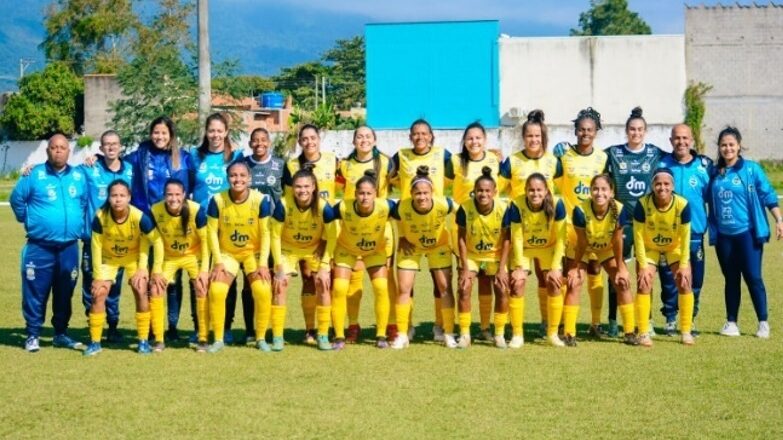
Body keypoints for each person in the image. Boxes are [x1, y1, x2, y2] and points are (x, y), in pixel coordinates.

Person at [11, 133, 89, 352]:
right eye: (54, 147)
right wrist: (26, 218)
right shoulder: (34, 175)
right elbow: (17, 199)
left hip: (69, 247)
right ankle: (33, 334)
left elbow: (83, 202)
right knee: (36, 290)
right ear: (48, 151)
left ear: (69, 151)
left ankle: (60, 334)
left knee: (65, 291)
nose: (58, 151)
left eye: (62, 147)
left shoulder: (78, 177)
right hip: (39, 246)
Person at [122, 116, 193, 342]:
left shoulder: (184, 158)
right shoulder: (140, 156)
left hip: (174, 227)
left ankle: (172, 325)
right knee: (153, 278)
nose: (160, 137)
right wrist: (97, 157)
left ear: (171, 135)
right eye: (156, 132)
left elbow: (194, 184)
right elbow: (116, 163)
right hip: (148, 226)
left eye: (164, 133)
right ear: (151, 134)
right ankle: (155, 327)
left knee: (173, 279)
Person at [707, 127, 783, 339]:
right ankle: (731, 323)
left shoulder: (751, 169)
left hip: (747, 234)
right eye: (723, 145)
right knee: (730, 278)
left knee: (753, 277)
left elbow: (768, 194)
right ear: (719, 148)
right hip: (724, 237)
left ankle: (763, 323)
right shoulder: (714, 172)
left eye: (731, 144)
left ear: (739, 146)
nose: (727, 148)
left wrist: (779, 219)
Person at [605, 107, 671, 338]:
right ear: (626, 131)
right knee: (617, 272)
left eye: (640, 129)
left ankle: (647, 320)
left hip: (646, 223)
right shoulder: (613, 153)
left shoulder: (655, 153)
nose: (636, 133)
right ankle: (613, 320)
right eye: (632, 129)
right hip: (622, 223)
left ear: (646, 131)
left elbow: (677, 159)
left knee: (645, 271)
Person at [389, 119, 455, 342]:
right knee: (408, 285)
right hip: (410, 227)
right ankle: (406, 328)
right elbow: (380, 176)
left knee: (441, 284)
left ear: (431, 136)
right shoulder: (401, 156)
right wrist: (402, 234)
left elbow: (464, 173)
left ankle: (440, 326)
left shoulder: (443, 156)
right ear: (410, 136)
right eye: (415, 134)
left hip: (436, 229)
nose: (420, 137)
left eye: (424, 133)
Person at [499, 109, 562, 336]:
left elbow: (562, 193)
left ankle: (548, 322)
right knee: (517, 280)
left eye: (537, 136)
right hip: (519, 230)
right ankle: (510, 326)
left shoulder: (554, 162)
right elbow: (498, 190)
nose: (533, 140)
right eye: (529, 136)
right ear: (523, 137)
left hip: (546, 232)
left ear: (543, 138)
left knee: (547, 278)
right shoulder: (512, 161)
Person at [83, 180, 164, 356]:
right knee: (98, 294)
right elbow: (95, 247)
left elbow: (157, 241)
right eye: (114, 195)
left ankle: (143, 340)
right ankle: (95, 342)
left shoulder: (139, 217)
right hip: (109, 259)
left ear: (128, 197)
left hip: (132, 258)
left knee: (141, 288)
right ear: (109, 197)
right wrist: (97, 277)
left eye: (122, 195)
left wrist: (149, 269)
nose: (118, 199)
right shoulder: (100, 217)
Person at [335, 126, 396, 343]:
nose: (363, 140)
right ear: (353, 141)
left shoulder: (387, 163)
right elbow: (334, 190)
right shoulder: (343, 165)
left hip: (380, 231)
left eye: (368, 136)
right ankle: (352, 325)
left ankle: (390, 325)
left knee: (384, 283)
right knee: (353, 283)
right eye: (359, 136)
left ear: (375, 140)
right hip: (352, 229)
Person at [206, 161, 273, 353]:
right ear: (228, 178)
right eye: (234, 175)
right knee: (217, 290)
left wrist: (262, 264)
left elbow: (266, 234)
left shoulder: (260, 200)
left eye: (242, 175)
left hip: (253, 253)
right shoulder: (217, 200)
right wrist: (217, 262)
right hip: (228, 254)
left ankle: (260, 337)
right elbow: (211, 233)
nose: (238, 179)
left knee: (262, 290)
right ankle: (218, 339)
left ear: (249, 178)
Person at [191, 113, 246, 344]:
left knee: (225, 277)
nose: (215, 135)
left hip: (226, 228)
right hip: (199, 228)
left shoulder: (236, 156)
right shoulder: (194, 156)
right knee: (199, 278)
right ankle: (199, 326)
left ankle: (226, 327)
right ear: (206, 132)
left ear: (226, 132)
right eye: (211, 130)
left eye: (219, 131)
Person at [564, 174, 637, 347]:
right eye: (595, 189)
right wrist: (574, 268)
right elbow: (581, 243)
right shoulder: (580, 210)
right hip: (585, 248)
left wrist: (621, 268)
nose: (599, 193)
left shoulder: (619, 210)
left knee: (622, 282)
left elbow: (618, 241)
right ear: (590, 191)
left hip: (606, 249)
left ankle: (629, 332)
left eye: (604, 189)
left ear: (611, 192)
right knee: (574, 283)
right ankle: (569, 333)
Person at [282, 124, 338, 344]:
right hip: (302, 231)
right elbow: (290, 202)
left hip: (328, 228)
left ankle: (331, 327)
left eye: (313, 138)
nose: (309, 142)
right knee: (308, 279)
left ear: (319, 138)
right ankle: (310, 329)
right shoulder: (291, 165)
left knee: (326, 280)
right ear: (299, 141)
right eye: (304, 139)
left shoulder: (333, 160)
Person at [556, 107, 609, 338]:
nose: (585, 133)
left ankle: (595, 324)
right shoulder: (564, 156)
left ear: (596, 132)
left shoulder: (602, 158)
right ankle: (565, 326)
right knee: (572, 275)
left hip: (596, 226)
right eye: (581, 129)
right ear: (575, 131)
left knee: (596, 270)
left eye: (589, 130)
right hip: (571, 227)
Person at [270, 164, 335, 351]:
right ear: (292, 188)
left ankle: (322, 334)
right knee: (280, 285)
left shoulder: (324, 207)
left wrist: (324, 265)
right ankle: (277, 336)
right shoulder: (283, 204)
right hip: (288, 250)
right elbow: (275, 236)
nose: (302, 190)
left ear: (314, 187)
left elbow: (332, 236)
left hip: (313, 249)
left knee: (323, 283)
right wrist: (278, 267)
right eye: (298, 187)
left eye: (306, 186)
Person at [79, 130, 133, 343]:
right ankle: (93, 323)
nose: (111, 147)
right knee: (91, 283)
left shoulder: (130, 170)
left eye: (115, 144)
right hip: (92, 239)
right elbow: (63, 169)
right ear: (100, 149)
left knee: (114, 285)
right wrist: (31, 169)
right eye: (106, 144)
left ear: (120, 147)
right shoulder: (89, 168)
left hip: (117, 240)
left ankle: (112, 326)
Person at [451, 122, 503, 342]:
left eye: (478, 138)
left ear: (485, 140)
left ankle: (485, 329)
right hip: (464, 226)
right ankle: (464, 332)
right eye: (470, 138)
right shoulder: (454, 162)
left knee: (486, 281)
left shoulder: (495, 160)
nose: (474, 142)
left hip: (491, 227)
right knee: (464, 282)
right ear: (464, 141)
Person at [659, 124, 712, 335]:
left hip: (695, 233)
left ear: (691, 140)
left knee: (695, 279)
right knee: (669, 280)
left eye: (685, 138)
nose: (681, 142)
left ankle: (689, 319)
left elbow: (711, 197)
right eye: (677, 138)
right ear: (671, 141)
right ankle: (671, 318)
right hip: (667, 235)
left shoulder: (704, 167)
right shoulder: (662, 164)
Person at [633, 168, 695, 346]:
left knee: (685, 281)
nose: (662, 187)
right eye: (658, 184)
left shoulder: (682, 204)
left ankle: (685, 331)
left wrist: (684, 265)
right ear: (652, 186)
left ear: (673, 186)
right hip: (649, 247)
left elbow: (686, 237)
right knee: (644, 283)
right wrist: (643, 265)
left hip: (673, 247)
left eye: (666, 184)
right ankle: (644, 332)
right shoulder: (642, 204)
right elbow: (637, 236)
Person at [506, 173, 567, 347]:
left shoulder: (557, 204)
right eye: (531, 190)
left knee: (555, 282)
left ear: (546, 190)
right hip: (524, 249)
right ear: (525, 190)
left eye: (539, 190)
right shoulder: (516, 204)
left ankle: (552, 333)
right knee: (517, 283)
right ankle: (517, 334)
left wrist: (556, 267)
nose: (535, 194)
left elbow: (562, 238)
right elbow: (516, 237)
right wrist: (518, 266)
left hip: (548, 248)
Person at [149, 179, 210, 352]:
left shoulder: (196, 210)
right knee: (155, 288)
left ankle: (203, 338)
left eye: (177, 194)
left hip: (193, 255)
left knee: (201, 286)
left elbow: (206, 242)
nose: (173, 198)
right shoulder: (155, 210)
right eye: (169, 194)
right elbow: (155, 241)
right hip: (169, 257)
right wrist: (156, 270)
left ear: (184, 195)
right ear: (164, 195)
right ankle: (159, 339)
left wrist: (204, 270)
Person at [455, 167, 510, 349]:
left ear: (495, 192)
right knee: (464, 288)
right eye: (480, 190)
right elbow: (461, 238)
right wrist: (463, 267)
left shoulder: (504, 208)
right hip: (472, 255)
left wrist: (502, 269)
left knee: (502, 288)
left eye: (487, 191)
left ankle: (498, 333)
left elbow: (507, 239)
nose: (483, 194)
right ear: (474, 191)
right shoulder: (464, 208)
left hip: (495, 254)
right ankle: (465, 334)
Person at [243, 127, 285, 344]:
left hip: (274, 232)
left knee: (273, 280)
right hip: (250, 233)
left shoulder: (280, 165)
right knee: (250, 282)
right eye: (255, 140)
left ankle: (270, 329)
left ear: (269, 142)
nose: (259, 143)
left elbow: (288, 195)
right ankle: (251, 329)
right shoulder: (243, 165)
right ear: (250, 143)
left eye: (263, 140)